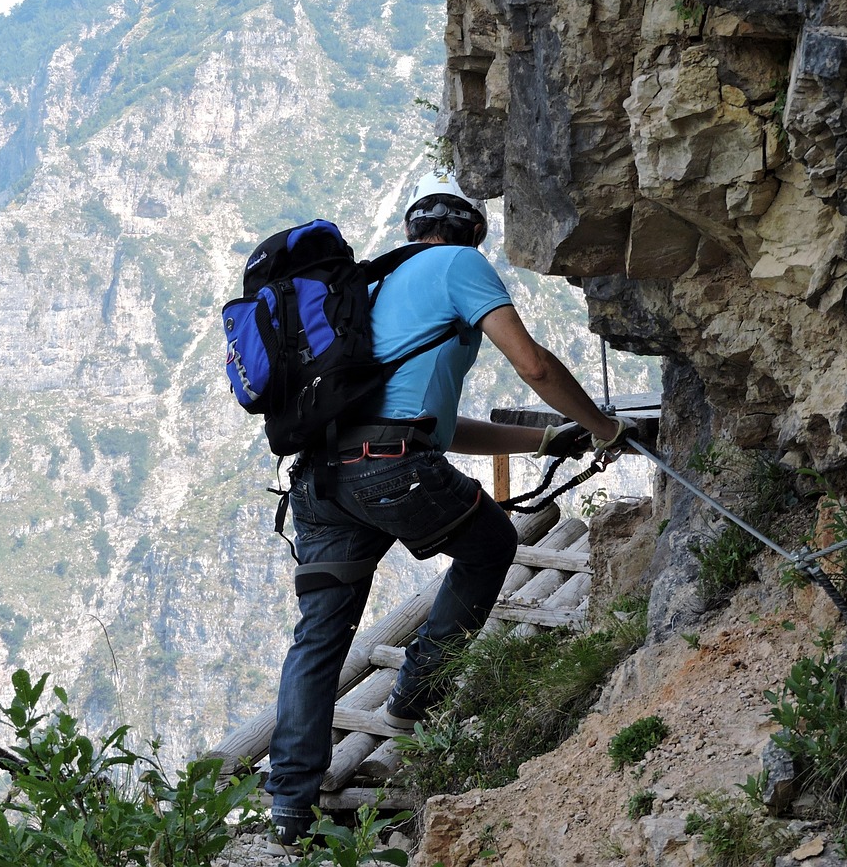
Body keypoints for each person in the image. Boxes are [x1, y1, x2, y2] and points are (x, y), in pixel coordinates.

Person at [265, 170, 633, 851]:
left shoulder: (367, 288)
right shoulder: (459, 265)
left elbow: (432, 425)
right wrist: (603, 428)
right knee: (491, 542)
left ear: (411, 230)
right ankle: (419, 693)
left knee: (319, 636)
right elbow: (536, 367)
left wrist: (546, 438)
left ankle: (289, 804)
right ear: (472, 235)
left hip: (320, 479)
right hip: (390, 470)